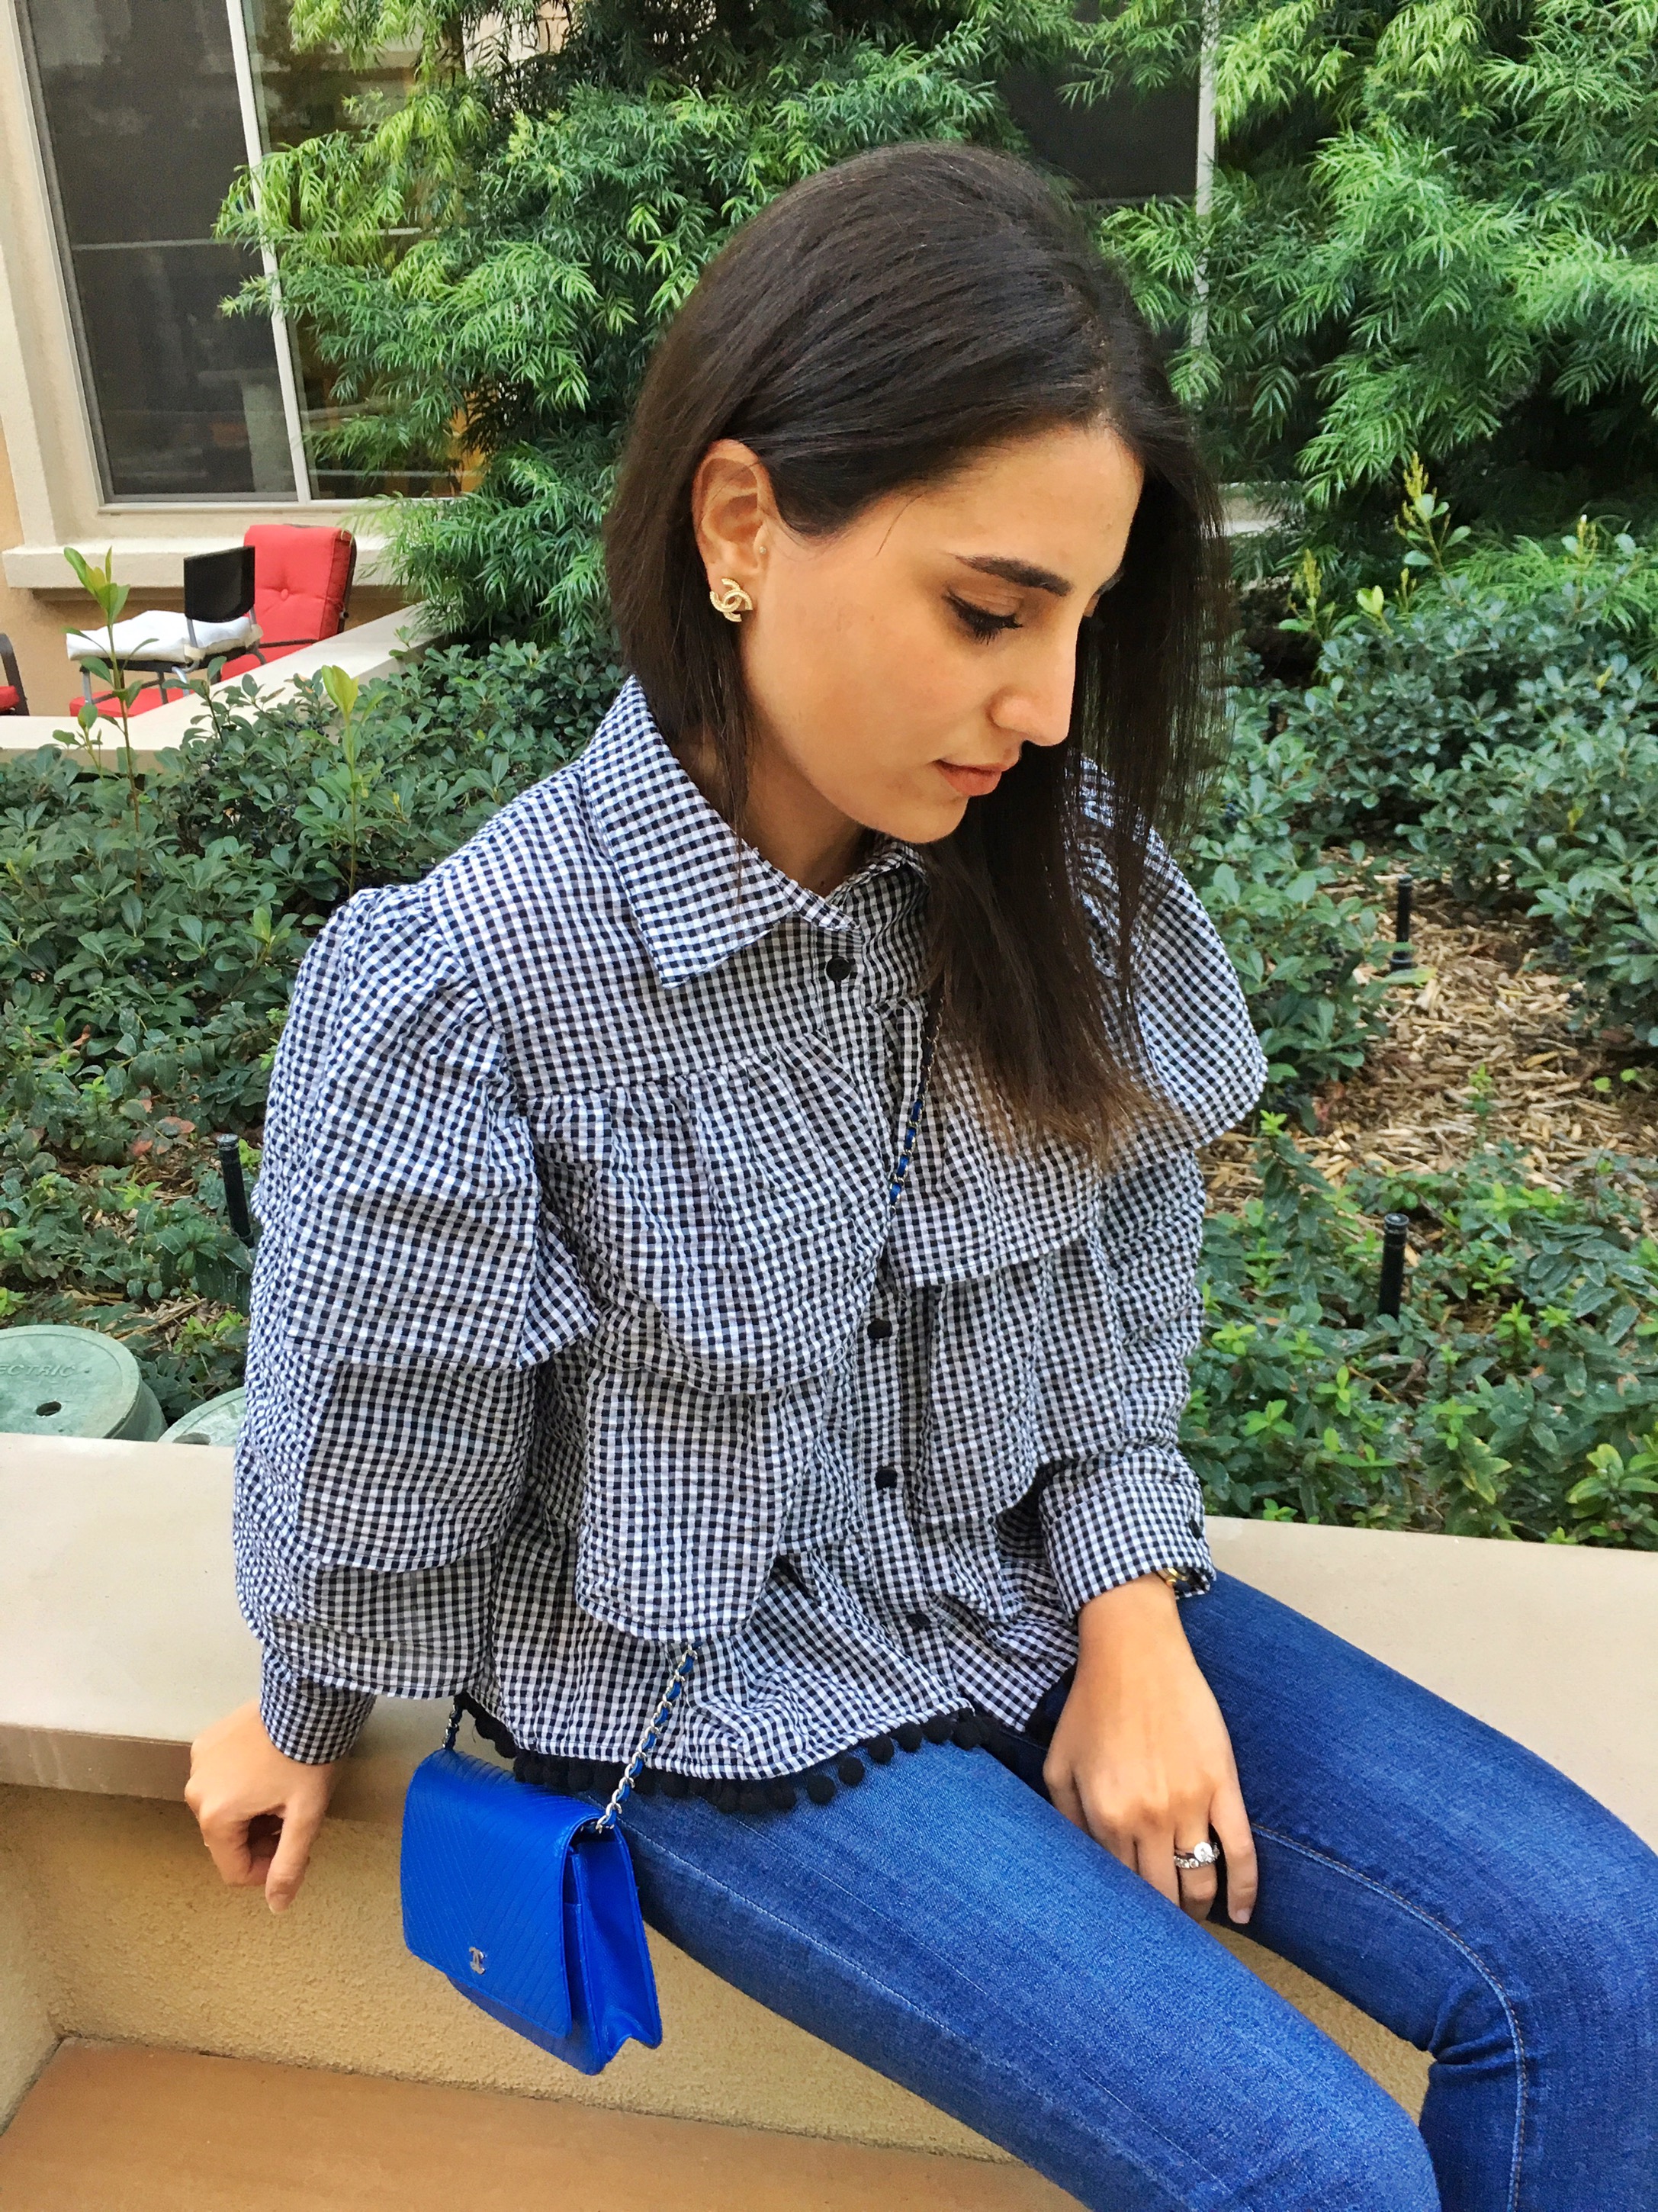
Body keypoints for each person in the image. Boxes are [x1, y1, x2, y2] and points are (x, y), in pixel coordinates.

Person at [185, 143, 1658, 2211]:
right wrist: (305, 1696)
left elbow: (1120, 1283)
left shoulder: (1054, 878)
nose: (1044, 707)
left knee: (1602, 1958)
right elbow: (381, 1441)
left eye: (1078, 623)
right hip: (707, 1696)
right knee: (1313, 2176)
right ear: (741, 524)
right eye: (987, 609)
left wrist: (1131, 1614)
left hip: (1019, 1577)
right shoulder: (475, 985)